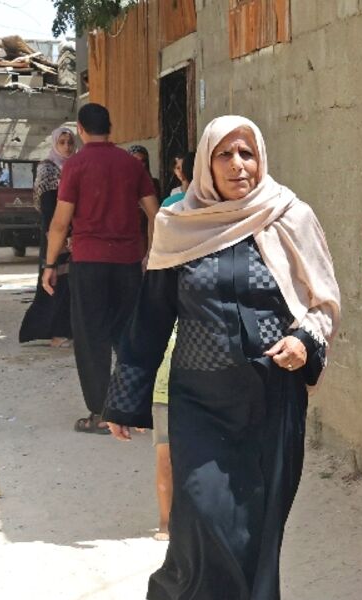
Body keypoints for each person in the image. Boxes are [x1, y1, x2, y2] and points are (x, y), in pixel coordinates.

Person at [102, 115, 341, 600]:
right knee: (200, 511)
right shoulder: (178, 224)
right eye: (227, 155)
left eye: (248, 154)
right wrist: (125, 396)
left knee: (259, 520)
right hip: (199, 399)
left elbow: (322, 300)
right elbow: (151, 315)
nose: (240, 166)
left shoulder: (288, 215)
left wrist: (303, 341)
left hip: (271, 398)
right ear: (206, 163)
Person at [41, 103, 159, 434]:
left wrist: (50, 264)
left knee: (91, 337)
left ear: (80, 129)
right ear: (112, 127)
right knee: (127, 335)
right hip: (127, 263)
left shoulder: (75, 165)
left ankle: (101, 413)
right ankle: (130, 407)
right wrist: (151, 252)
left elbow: (61, 221)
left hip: (89, 262)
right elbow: (155, 212)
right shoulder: (130, 164)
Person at [147, 150, 193, 542]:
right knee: (179, 455)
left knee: (168, 456)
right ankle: (171, 523)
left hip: (174, 379)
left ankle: (167, 524)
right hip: (180, 379)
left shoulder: (170, 210)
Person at [19, 126, 78, 347]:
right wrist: (58, 238)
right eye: (62, 142)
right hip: (55, 234)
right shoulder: (48, 169)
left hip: (73, 234)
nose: (67, 146)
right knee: (56, 281)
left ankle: (65, 330)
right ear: (54, 144)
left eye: (70, 142)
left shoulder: (75, 166)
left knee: (69, 284)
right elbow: (47, 208)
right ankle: (56, 333)